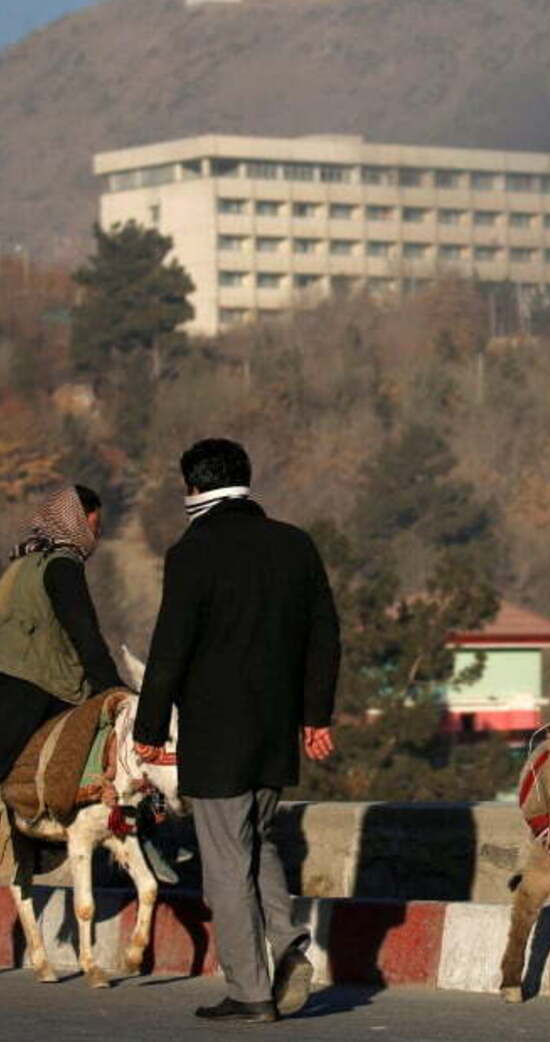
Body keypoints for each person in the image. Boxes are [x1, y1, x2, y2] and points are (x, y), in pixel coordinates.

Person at [133, 438, 340, 1025]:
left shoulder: (192, 551)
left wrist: (149, 727)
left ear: (193, 488)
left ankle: (250, 991)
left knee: (225, 861)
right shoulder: (294, 544)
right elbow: (325, 634)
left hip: (218, 733)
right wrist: (315, 714)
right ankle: (289, 944)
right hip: (276, 731)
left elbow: (171, 647)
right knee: (258, 842)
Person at [0, 484, 122, 791]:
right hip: (37, 676)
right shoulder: (62, 565)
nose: (97, 536)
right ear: (76, 521)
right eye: (94, 525)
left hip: (5, 668)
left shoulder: (23, 561)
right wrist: (112, 689)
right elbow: (84, 633)